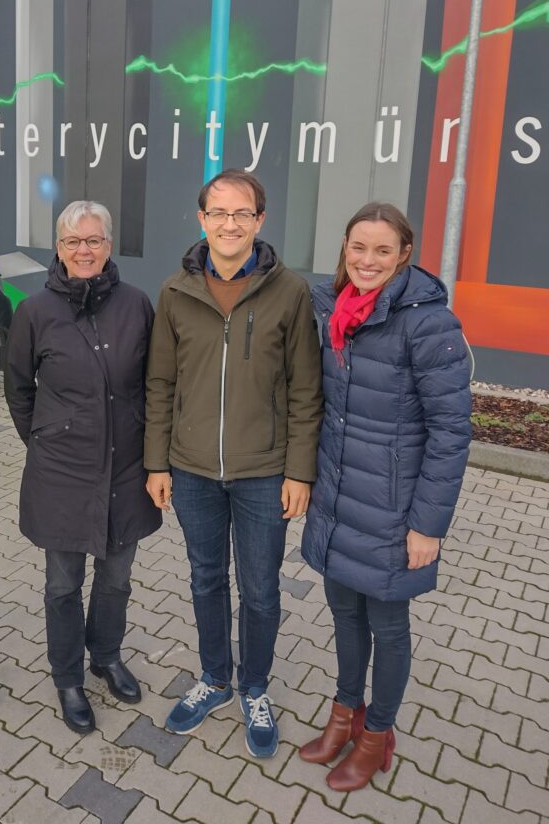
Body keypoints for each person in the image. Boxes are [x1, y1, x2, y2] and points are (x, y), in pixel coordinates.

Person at [145, 169, 323, 758]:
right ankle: (215, 678)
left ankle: (255, 687)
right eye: (217, 213)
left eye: (241, 214)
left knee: (262, 589)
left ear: (258, 222)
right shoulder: (175, 291)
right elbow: (160, 383)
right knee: (204, 578)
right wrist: (157, 463)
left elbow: (305, 389)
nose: (229, 224)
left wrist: (299, 471)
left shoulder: (290, 292)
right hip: (191, 469)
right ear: (201, 220)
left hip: (263, 472)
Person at [299, 202, 471, 790]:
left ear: (404, 255)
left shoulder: (428, 324)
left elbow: (451, 432)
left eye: (381, 250)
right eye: (357, 247)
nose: (367, 260)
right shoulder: (331, 309)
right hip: (339, 496)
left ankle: (378, 734)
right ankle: (345, 716)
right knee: (345, 615)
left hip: (395, 511)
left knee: (388, 626)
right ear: (344, 248)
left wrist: (429, 525)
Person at [4, 200, 160, 734]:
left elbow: (153, 385)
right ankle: (68, 676)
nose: (84, 250)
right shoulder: (35, 311)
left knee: (116, 578)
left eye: (94, 240)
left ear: (109, 246)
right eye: (73, 242)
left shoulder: (138, 305)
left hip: (125, 468)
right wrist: (48, 441)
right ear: (59, 248)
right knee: (62, 584)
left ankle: (107, 656)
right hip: (62, 472)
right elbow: (18, 389)